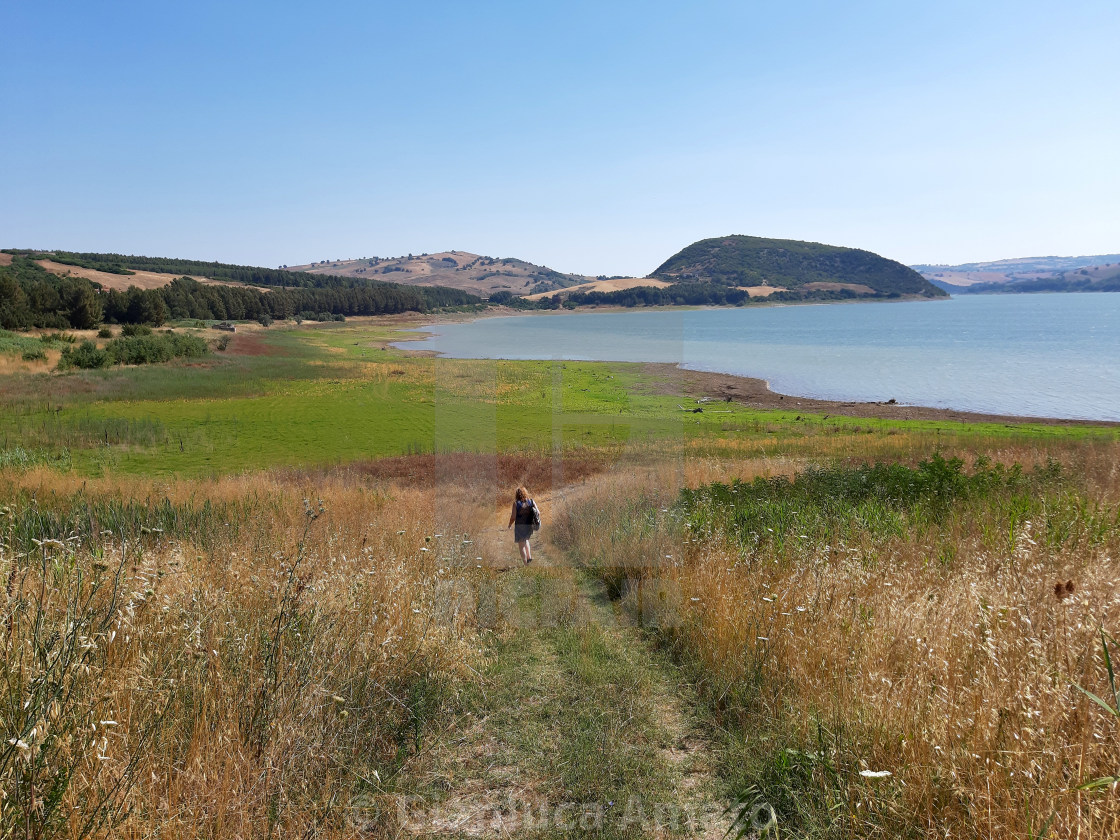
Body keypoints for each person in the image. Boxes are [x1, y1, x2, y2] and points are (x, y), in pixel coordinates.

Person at [507, 486, 538, 565]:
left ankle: (526, 564)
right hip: (529, 526)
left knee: (521, 545)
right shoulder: (531, 501)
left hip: (520, 527)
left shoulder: (516, 504)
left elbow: (513, 517)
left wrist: (510, 525)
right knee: (526, 539)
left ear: (517, 494)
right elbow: (538, 512)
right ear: (525, 493)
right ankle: (529, 557)